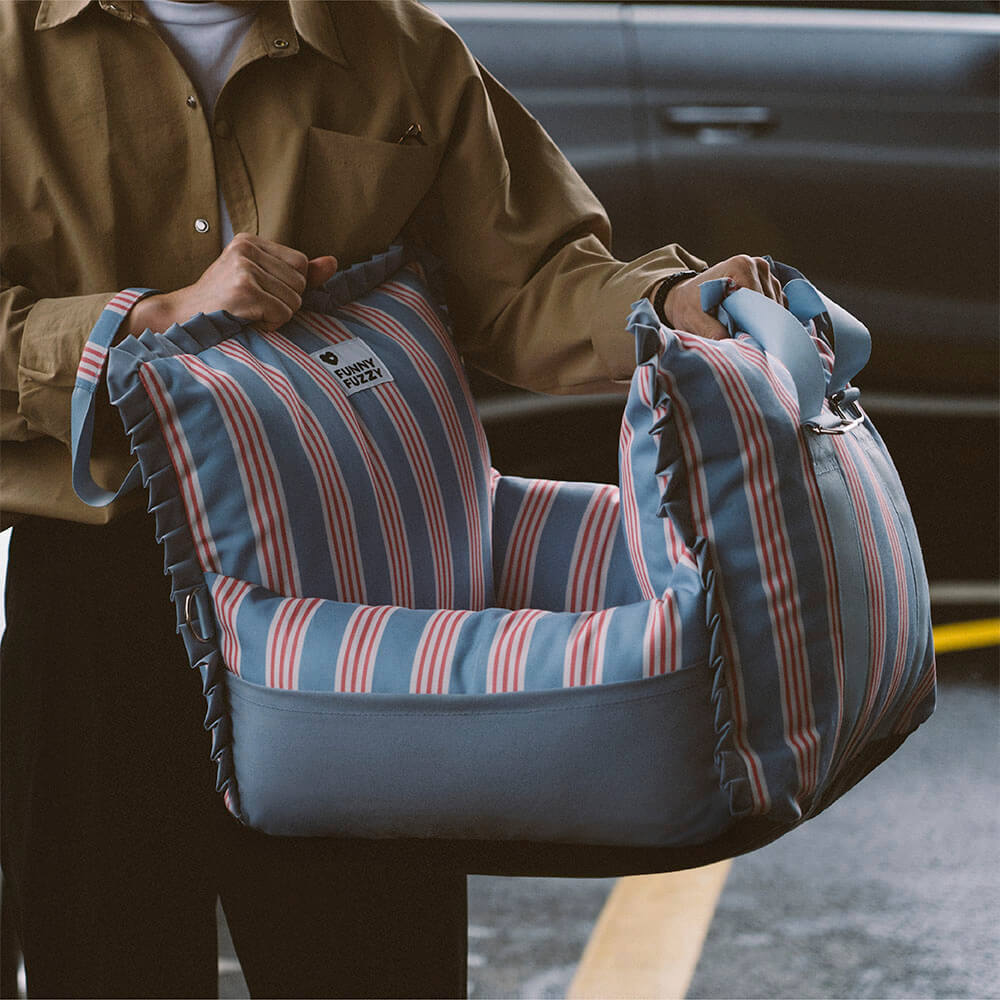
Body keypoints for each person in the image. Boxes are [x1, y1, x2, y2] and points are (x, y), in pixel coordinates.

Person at [0, 1, 784, 996]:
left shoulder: (396, 45)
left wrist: (669, 303)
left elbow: (530, 278)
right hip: (99, 605)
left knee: (375, 965)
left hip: (359, 601)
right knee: (108, 965)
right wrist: (149, 319)